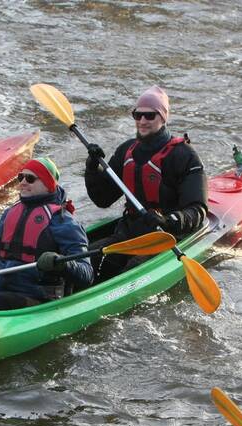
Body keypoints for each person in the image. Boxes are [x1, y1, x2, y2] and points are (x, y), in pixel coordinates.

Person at [83, 85, 208, 282]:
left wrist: (170, 221)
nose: (142, 121)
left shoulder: (184, 155)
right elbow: (103, 199)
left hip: (166, 238)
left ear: (163, 117)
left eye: (150, 116)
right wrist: (92, 169)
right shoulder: (126, 151)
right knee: (86, 258)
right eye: (137, 115)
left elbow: (198, 210)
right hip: (130, 233)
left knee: (133, 268)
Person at [0, 158, 92, 311]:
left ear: (48, 184)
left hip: (38, 297)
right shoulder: (10, 213)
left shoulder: (64, 221)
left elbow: (86, 275)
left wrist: (62, 263)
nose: (22, 183)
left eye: (30, 178)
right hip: (0, 289)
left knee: (0, 302)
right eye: (20, 177)